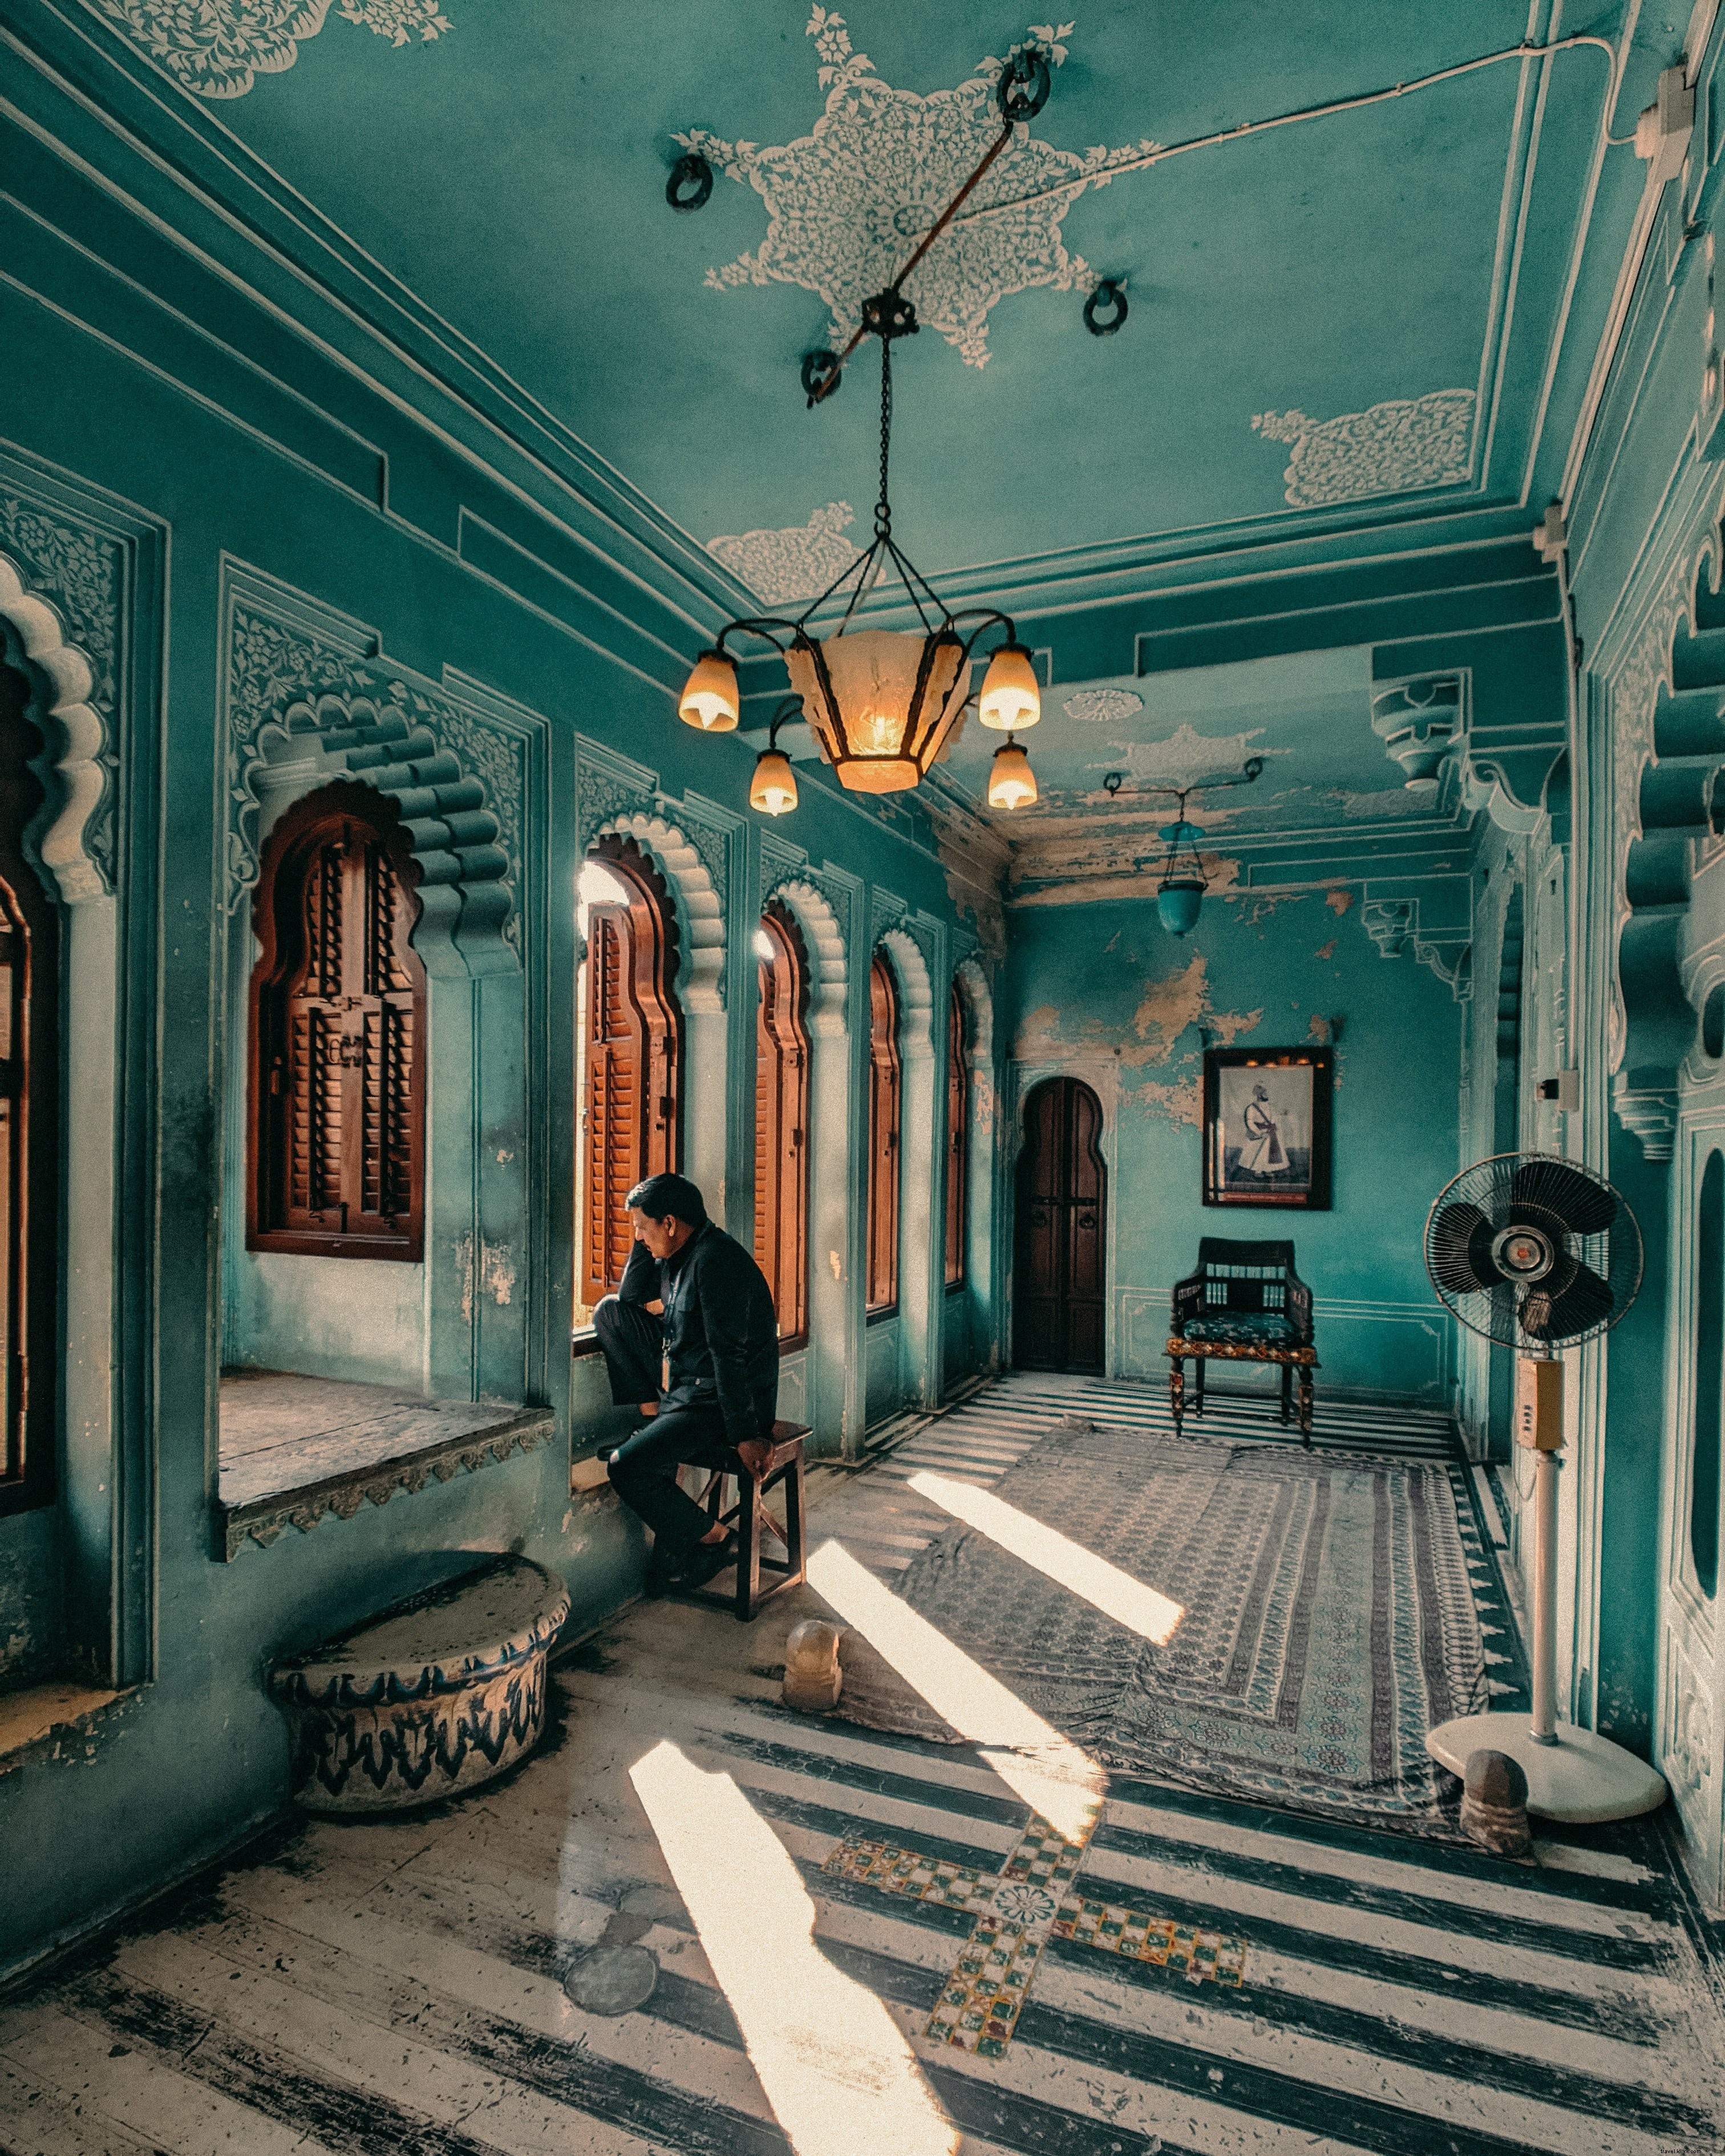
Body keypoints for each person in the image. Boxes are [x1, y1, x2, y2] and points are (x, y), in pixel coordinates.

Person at [594, 1172, 780, 1594]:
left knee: (627, 1467)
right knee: (608, 1314)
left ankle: (714, 1538)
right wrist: (647, 1240)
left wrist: (747, 1435)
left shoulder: (718, 1261)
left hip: (720, 1402)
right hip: (688, 1389)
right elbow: (628, 1299)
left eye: (642, 1226)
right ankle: (651, 1418)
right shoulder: (677, 1254)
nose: (638, 1237)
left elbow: (728, 1356)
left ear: (672, 1223)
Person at [1239, 1083, 1285, 1178]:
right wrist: (1259, 1133)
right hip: (1259, 1134)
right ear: (1260, 1094)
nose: (1267, 1094)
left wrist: (1282, 1114)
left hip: (1271, 1133)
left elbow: (1275, 1116)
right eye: (1265, 1092)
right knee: (1259, 1153)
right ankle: (1258, 1171)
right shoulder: (1252, 1108)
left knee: (1269, 1153)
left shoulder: (1270, 1106)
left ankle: (1268, 1170)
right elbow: (1250, 1122)